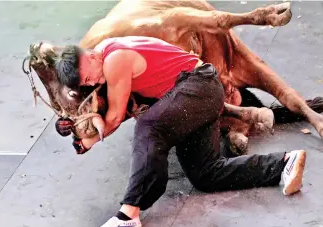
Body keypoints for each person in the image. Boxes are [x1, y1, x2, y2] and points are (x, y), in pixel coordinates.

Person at [53, 36, 306, 227]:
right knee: (205, 174)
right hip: (195, 100)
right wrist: (71, 127)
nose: (93, 82)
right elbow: (90, 107)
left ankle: (129, 214)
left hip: (198, 86)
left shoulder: (113, 60)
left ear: (92, 57)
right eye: (86, 83)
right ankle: (283, 164)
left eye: (90, 76)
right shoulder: (102, 60)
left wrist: (88, 142)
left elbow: (116, 115)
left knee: (149, 127)